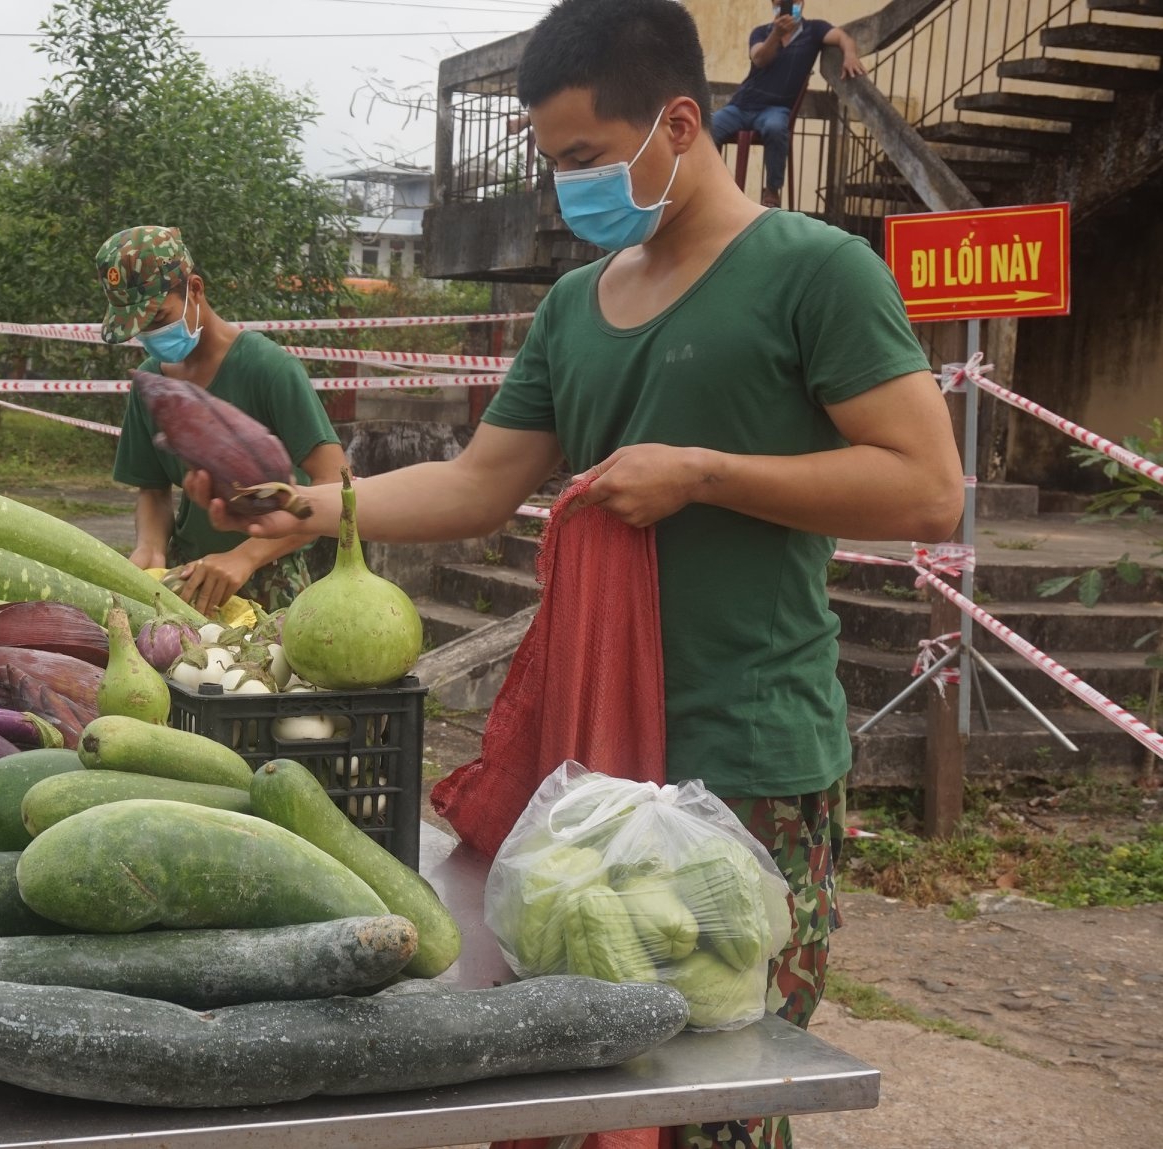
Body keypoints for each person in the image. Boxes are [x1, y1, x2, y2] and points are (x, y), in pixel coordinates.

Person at [191, 1, 960, 1145]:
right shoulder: (572, 306)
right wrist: (309, 507)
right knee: (579, 1088)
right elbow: (478, 483)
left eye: (587, 160)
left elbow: (925, 487)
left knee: (714, 1086)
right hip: (587, 768)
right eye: (554, 165)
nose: (569, 191)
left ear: (681, 122)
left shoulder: (816, 272)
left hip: (746, 760)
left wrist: (704, 473)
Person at [98, 225, 347, 616]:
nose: (149, 335)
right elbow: (153, 491)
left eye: (158, 318)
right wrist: (150, 547)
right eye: (139, 329)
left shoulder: (268, 368)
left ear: (194, 289)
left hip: (270, 583)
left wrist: (245, 557)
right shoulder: (152, 385)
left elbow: (335, 483)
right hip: (186, 583)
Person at [709, 0, 866, 208]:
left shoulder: (814, 30)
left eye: (791, 1)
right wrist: (775, 34)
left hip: (775, 108)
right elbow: (759, 59)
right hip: (742, 105)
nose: (784, 5)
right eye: (779, 2)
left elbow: (843, 37)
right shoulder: (761, 32)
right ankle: (712, 185)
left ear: (801, 3)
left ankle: (772, 191)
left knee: (775, 128)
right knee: (708, 128)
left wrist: (850, 54)